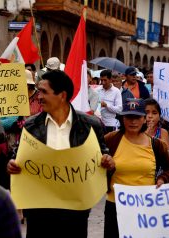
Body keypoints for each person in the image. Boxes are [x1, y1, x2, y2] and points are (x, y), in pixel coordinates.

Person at [7, 70, 115, 238]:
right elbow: (18, 156)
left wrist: (108, 162)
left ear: (62, 95)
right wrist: (12, 163)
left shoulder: (90, 125)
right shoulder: (31, 125)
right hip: (39, 209)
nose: (39, 97)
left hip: (75, 210)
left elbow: (102, 159)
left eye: (44, 91)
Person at [103, 98, 169, 238]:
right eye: (129, 117)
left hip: (146, 209)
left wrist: (163, 179)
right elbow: (93, 162)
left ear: (144, 119)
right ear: (122, 118)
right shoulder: (111, 139)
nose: (133, 121)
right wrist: (104, 162)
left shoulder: (157, 145)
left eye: (137, 117)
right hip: (115, 207)